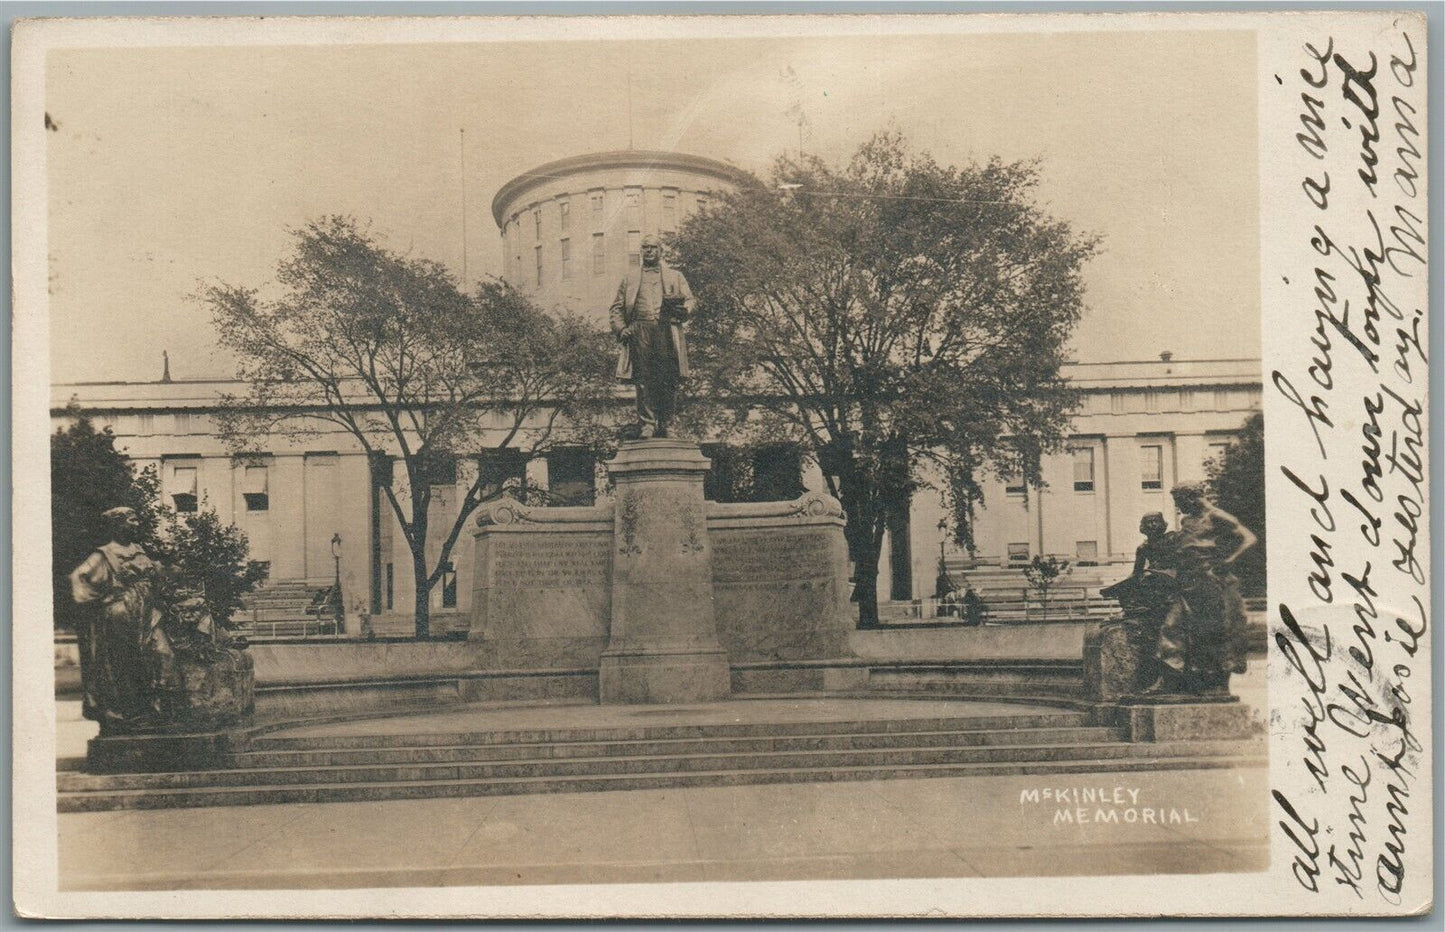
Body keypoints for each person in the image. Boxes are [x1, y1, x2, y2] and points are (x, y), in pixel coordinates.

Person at [68, 506, 178, 734]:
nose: (137, 524)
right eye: (132, 520)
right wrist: (105, 600)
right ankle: (132, 715)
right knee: (125, 666)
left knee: (164, 654)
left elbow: (154, 578)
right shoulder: (104, 554)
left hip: (147, 612)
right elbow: (78, 579)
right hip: (120, 616)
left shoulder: (139, 550)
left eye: (137, 520)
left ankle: (156, 711)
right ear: (117, 525)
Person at [1148, 481, 1257, 695]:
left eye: (1179, 501)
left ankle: (1217, 684)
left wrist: (1229, 561)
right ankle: (1170, 678)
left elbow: (1249, 539)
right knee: (1172, 626)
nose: (1178, 507)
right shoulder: (1187, 520)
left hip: (1210, 581)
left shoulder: (1216, 516)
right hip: (1187, 580)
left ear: (1191, 498)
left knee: (1213, 631)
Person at [609, 234, 695, 439]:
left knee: (669, 379)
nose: (648, 251)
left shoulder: (675, 276)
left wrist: (685, 311)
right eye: (645, 247)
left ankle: (667, 424)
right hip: (641, 330)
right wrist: (622, 329)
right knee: (644, 379)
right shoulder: (629, 278)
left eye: (653, 248)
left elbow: (690, 300)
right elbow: (616, 308)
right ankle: (647, 424)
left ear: (660, 252)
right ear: (641, 251)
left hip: (667, 329)